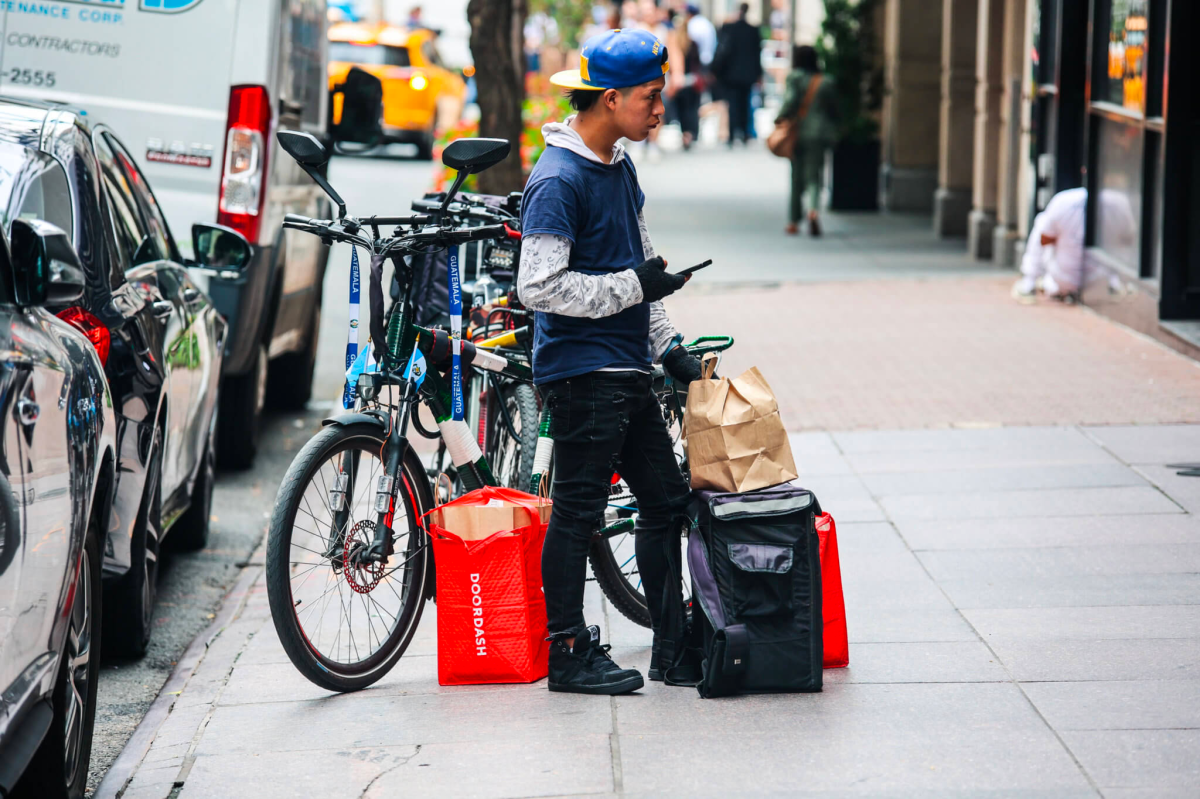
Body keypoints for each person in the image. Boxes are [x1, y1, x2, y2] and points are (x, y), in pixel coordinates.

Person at [518, 28, 703, 695]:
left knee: (665, 500)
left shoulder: (619, 167)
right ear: (611, 98)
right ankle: (567, 651)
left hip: (625, 369)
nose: (660, 110)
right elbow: (536, 285)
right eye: (651, 97)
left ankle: (672, 647)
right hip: (581, 373)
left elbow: (643, 266)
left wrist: (670, 348)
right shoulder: (558, 178)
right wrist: (632, 288)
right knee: (577, 510)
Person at [1012, 187, 1136, 303]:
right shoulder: (1120, 200)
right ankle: (1117, 284)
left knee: (1043, 222)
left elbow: (1043, 241)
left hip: (1065, 280)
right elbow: (1129, 238)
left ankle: (1029, 283)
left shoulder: (1063, 200)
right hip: (1102, 280)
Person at [776, 45, 839, 236]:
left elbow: (790, 101)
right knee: (814, 176)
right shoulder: (826, 82)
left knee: (796, 177)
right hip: (819, 134)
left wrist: (780, 118)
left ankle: (793, 221)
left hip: (797, 133)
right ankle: (813, 210)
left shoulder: (795, 78)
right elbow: (835, 110)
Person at [713, 3, 763, 146]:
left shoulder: (729, 29)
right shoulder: (752, 30)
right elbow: (756, 54)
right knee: (745, 103)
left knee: (733, 104)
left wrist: (717, 71)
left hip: (731, 74)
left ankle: (734, 133)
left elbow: (723, 51)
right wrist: (758, 74)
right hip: (747, 74)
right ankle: (745, 132)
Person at [667, 11, 703, 149]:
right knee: (691, 109)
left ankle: (685, 134)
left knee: (681, 109)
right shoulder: (692, 44)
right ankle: (690, 134)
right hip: (690, 80)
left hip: (679, 80)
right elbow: (698, 63)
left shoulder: (675, 44)